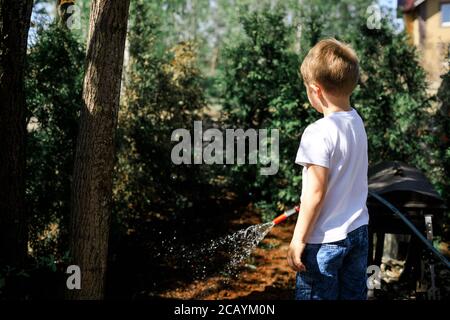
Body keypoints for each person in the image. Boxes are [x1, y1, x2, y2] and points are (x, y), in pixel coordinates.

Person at [287, 38, 369, 300]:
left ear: (315, 90)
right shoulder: (356, 122)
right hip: (358, 232)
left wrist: (298, 239)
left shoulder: (318, 132)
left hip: (324, 242)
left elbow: (315, 194)